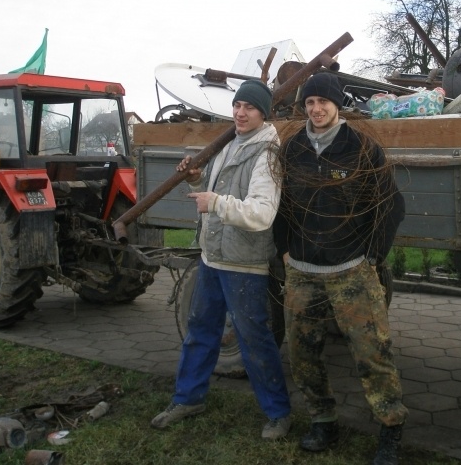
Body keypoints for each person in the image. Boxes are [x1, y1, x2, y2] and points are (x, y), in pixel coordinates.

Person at [273, 71, 408, 465]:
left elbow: (391, 205)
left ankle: (390, 429)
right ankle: (323, 421)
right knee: (303, 353)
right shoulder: (293, 148)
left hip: (351, 269)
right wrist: (284, 249)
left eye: (323, 102)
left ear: (337, 105)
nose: (316, 109)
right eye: (310, 103)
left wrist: (372, 255)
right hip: (302, 270)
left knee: (372, 353)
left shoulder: (361, 148)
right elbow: (281, 203)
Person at [151, 79, 292, 440]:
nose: (240, 113)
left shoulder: (267, 154)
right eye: (237, 106)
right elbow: (217, 197)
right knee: (200, 331)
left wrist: (214, 201)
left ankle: (278, 413)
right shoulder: (231, 143)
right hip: (213, 257)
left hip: (243, 264)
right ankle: (188, 399)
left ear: (264, 113)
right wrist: (198, 181)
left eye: (249, 108)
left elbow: (261, 213)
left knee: (254, 339)